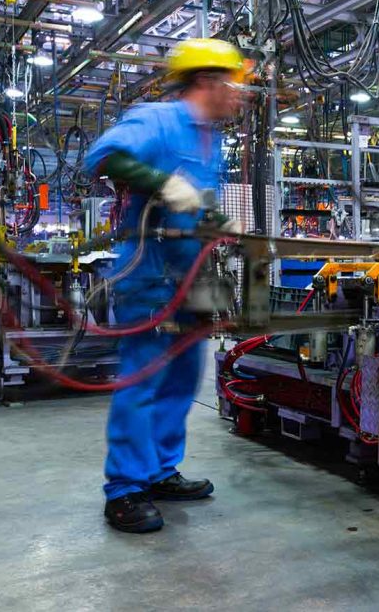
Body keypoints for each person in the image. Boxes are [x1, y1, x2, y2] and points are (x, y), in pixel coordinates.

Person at [85, 38, 247, 533]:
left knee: (182, 377)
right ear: (207, 81)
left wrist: (218, 217)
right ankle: (125, 489)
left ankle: (159, 471)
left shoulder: (210, 138)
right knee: (143, 378)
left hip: (192, 274)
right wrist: (163, 183)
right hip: (149, 272)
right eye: (235, 84)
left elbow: (199, 198)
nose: (239, 95)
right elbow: (103, 156)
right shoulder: (158, 119)